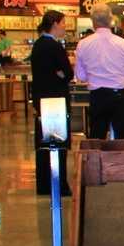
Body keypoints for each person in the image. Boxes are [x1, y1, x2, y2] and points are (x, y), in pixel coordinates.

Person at [75, 3, 124, 139]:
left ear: (92, 21)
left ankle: (96, 160)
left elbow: (80, 75)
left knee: (97, 137)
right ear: (111, 21)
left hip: (98, 96)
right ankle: (122, 161)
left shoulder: (83, 44)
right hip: (120, 95)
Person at [31, 11, 73, 196]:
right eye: (63, 23)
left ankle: (44, 184)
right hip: (56, 100)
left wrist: (60, 73)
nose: (65, 26)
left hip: (42, 99)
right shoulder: (54, 46)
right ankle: (59, 184)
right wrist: (61, 74)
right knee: (58, 143)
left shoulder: (38, 44)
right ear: (55, 24)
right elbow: (67, 73)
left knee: (44, 143)